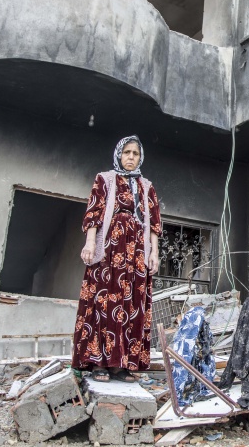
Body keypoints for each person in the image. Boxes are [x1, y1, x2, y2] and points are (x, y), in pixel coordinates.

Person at [72, 136, 162, 382]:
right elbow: (94, 214)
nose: (131, 157)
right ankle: (98, 363)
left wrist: (154, 252)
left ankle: (120, 365)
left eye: (135, 153)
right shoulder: (105, 179)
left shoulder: (147, 186)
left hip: (137, 253)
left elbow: (154, 224)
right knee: (104, 301)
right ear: (119, 155)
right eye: (127, 153)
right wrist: (91, 243)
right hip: (109, 250)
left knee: (130, 304)